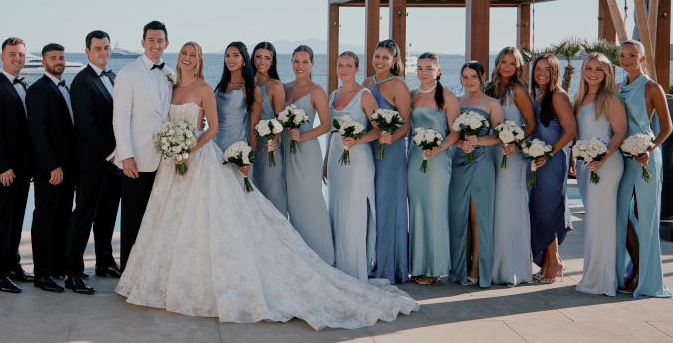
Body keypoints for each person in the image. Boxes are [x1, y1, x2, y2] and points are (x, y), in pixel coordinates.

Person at [116, 41, 418, 330]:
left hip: (230, 153)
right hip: (187, 160)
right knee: (191, 220)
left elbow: (255, 124)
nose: (188, 57)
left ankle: (325, 259)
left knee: (251, 214)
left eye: (193, 54)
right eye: (184, 52)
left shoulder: (256, 89)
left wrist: (246, 149)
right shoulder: (178, 86)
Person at [112, 21, 174, 269]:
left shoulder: (172, 72)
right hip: (137, 160)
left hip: (166, 161)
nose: (156, 45)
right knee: (133, 219)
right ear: (142, 42)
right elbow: (120, 118)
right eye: (151, 40)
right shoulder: (127, 73)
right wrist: (126, 156)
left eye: (160, 40)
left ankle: (151, 272)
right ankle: (128, 273)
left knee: (158, 219)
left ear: (166, 44)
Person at [67, 30, 123, 292]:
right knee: (84, 215)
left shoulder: (113, 77)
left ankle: (104, 261)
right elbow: (86, 125)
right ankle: (73, 272)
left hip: (114, 162)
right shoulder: (82, 81)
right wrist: (112, 152)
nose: (104, 53)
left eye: (107, 48)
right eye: (98, 48)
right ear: (87, 51)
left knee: (108, 215)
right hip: (92, 162)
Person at [615, 40, 672, 298]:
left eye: (631, 55)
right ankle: (633, 267)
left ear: (642, 57)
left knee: (648, 217)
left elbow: (666, 127)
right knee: (620, 214)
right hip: (622, 157)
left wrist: (647, 150)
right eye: (622, 55)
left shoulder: (652, 87)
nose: (626, 60)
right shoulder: (617, 88)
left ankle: (645, 278)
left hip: (646, 157)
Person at [0, 37, 37, 293]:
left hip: (24, 168)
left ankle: (13, 265)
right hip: (5, 169)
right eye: (12, 54)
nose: (17, 58)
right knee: (3, 220)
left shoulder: (24, 85)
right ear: (2, 57)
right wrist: (3, 166)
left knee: (16, 220)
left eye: (21, 54)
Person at [572, 53, 626, 297]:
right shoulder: (579, 97)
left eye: (598, 69)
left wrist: (601, 158)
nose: (592, 73)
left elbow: (619, 133)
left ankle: (601, 281)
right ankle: (594, 276)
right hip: (586, 165)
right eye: (588, 68)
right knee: (594, 221)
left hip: (606, 164)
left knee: (601, 222)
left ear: (607, 73)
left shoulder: (611, 98)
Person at [26, 43, 78, 293]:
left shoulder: (63, 87)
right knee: (45, 220)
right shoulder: (38, 90)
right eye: (53, 58)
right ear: (44, 62)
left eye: (61, 57)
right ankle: (42, 274)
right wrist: (52, 166)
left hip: (68, 169)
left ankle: (58, 267)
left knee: (62, 219)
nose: (59, 61)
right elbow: (38, 132)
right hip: (51, 170)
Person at [323, 51, 379, 280]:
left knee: (354, 212)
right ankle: (338, 267)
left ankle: (354, 269)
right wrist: (325, 161)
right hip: (336, 160)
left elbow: (378, 129)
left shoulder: (364, 95)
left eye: (349, 66)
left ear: (357, 69)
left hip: (358, 161)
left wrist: (358, 139)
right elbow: (330, 132)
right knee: (336, 210)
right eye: (340, 65)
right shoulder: (333, 95)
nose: (344, 70)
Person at [448, 61, 503, 288]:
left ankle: (477, 268)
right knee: (459, 215)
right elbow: (449, 133)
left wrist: (477, 140)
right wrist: (461, 144)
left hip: (481, 160)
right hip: (459, 160)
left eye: (473, 76)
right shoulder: (456, 102)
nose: (469, 81)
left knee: (476, 214)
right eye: (464, 77)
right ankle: (460, 267)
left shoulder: (492, 103)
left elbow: (501, 136)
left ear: (482, 77)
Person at [361, 39, 411, 283]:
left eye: (384, 58)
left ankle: (386, 266)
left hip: (390, 152)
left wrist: (392, 136)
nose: (379, 61)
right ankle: (366, 258)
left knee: (386, 205)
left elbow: (406, 122)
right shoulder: (367, 83)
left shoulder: (398, 84)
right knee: (370, 205)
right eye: (376, 56)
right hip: (369, 148)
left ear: (394, 61)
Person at [487, 47, 537, 287]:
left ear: (518, 67)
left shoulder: (518, 91)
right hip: (489, 152)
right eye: (503, 62)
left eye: (512, 63)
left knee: (509, 207)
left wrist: (515, 143)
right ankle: (491, 266)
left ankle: (512, 269)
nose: (506, 67)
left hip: (511, 155)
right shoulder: (488, 89)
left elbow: (530, 124)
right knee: (494, 207)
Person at [407, 52, 458, 285]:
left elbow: (456, 132)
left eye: (429, 68)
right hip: (415, 160)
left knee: (434, 210)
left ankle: (434, 267)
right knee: (416, 211)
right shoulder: (411, 95)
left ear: (438, 71)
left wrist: (439, 149)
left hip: (437, 161)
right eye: (419, 68)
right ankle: (418, 265)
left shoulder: (447, 97)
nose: (423, 72)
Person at [282, 45, 334, 263]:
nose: (300, 66)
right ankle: (298, 256)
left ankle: (321, 256)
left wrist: (302, 137)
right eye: (296, 61)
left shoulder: (317, 91)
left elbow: (327, 125)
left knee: (310, 199)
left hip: (307, 151)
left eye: (304, 62)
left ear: (312, 64)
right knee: (291, 201)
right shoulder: (284, 88)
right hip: (286, 149)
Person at [527, 54, 576, 284]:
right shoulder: (535, 95)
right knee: (538, 210)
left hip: (552, 160)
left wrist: (549, 153)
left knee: (548, 210)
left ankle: (554, 260)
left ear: (555, 71)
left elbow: (571, 131)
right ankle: (548, 262)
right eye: (538, 68)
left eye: (547, 68)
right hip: (536, 160)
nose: (542, 72)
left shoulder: (558, 95)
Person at [250, 42, 287, 216]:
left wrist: (274, 141)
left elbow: (281, 120)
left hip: (268, 148)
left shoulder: (275, 86)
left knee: (271, 193)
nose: (262, 61)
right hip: (248, 143)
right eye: (258, 57)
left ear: (273, 62)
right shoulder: (247, 82)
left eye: (267, 58)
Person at [212, 42, 261, 153]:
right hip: (213, 145)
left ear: (244, 59)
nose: (230, 59)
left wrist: (249, 157)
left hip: (236, 149)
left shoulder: (252, 89)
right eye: (227, 56)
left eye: (236, 55)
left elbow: (254, 129)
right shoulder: (220, 86)